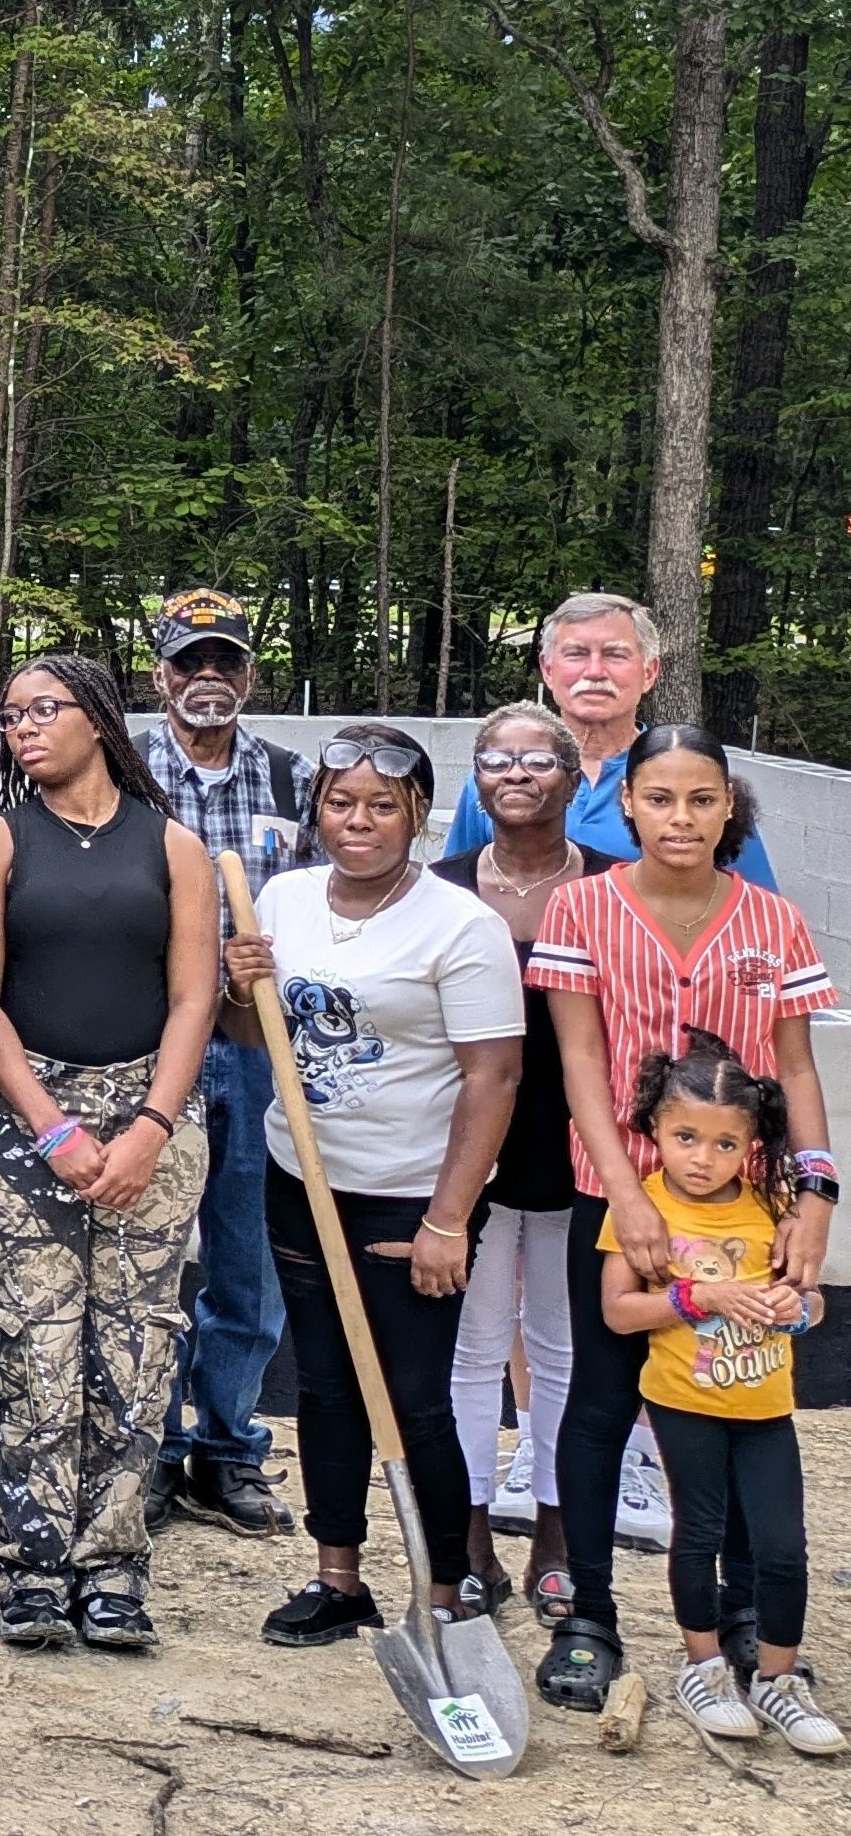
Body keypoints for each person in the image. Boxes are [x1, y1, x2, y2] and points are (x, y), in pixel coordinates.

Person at [527, 725, 835, 1716]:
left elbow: (792, 1068)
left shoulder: (772, 921)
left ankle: (744, 1617)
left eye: (700, 800)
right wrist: (624, 1191)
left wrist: (816, 1196)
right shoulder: (581, 908)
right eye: (659, 798)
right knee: (602, 1399)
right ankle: (589, 1617)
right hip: (617, 1190)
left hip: (746, 1198)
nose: (679, 818)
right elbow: (578, 1060)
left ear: (727, 806)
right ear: (627, 805)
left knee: (738, 1398)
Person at [222, 724, 520, 1650]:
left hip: (409, 1195)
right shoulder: (284, 896)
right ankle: (337, 1576)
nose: (359, 820)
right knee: (324, 1383)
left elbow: (493, 1078)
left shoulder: (460, 925)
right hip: (302, 1180)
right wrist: (241, 986)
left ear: (418, 816)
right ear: (318, 809)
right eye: (342, 802)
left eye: (382, 805)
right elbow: (248, 1037)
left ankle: (446, 1588)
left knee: (417, 1392)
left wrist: (448, 1218)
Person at [0, 653, 218, 1653]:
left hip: (150, 1109)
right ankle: (29, 1562)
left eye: (42, 708)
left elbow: (194, 995)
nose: (22, 726)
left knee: (134, 1345)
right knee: (35, 1340)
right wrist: (51, 1127)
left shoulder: (174, 845)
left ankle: (111, 1564)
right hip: (29, 1116)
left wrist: (150, 1123)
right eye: (9, 712)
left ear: (98, 719)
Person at [594, 1035, 842, 1755]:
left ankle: (778, 1677)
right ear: (655, 1130)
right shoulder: (641, 1211)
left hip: (766, 1406)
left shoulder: (773, 1207)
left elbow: (809, 1299)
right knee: (698, 1534)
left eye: (725, 1143)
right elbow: (618, 1310)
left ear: (752, 1145)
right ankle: (703, 1665)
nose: (702, 1158)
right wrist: (704, 1294)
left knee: (782, 1547)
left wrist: (800, 1309)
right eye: (685, 1137)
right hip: (685, 1400)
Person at [133, 586, 310, 1539]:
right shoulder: (122, 774)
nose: (209, 677)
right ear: (159, 672)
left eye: (227, 661)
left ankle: (229, 1448)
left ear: (250, 673)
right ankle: (155, 1448)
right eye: (190, 661)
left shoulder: (292, 781)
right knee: (153, 1255)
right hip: (152, 1042)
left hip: (256, 1048)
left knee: (247, 1259)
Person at [430, 702, 591, 1621]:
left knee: (561, 1349)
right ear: (477, 777)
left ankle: (559, 1534)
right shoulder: (442, 888)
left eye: (538, 758)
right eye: (496, 758)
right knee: (473, 1348)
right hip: (468, 1153)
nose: (517, 772)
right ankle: (472, 1534)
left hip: (577, 1151)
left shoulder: (611, 886)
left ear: (573, 775)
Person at [444, 593, 783, 887]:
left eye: (615, 655)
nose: (594, 672)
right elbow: (456, 892)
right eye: (576, 653)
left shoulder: (693, 780)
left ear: (649, 672)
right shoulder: (500, 776)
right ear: (547, 669)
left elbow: (759, 915)